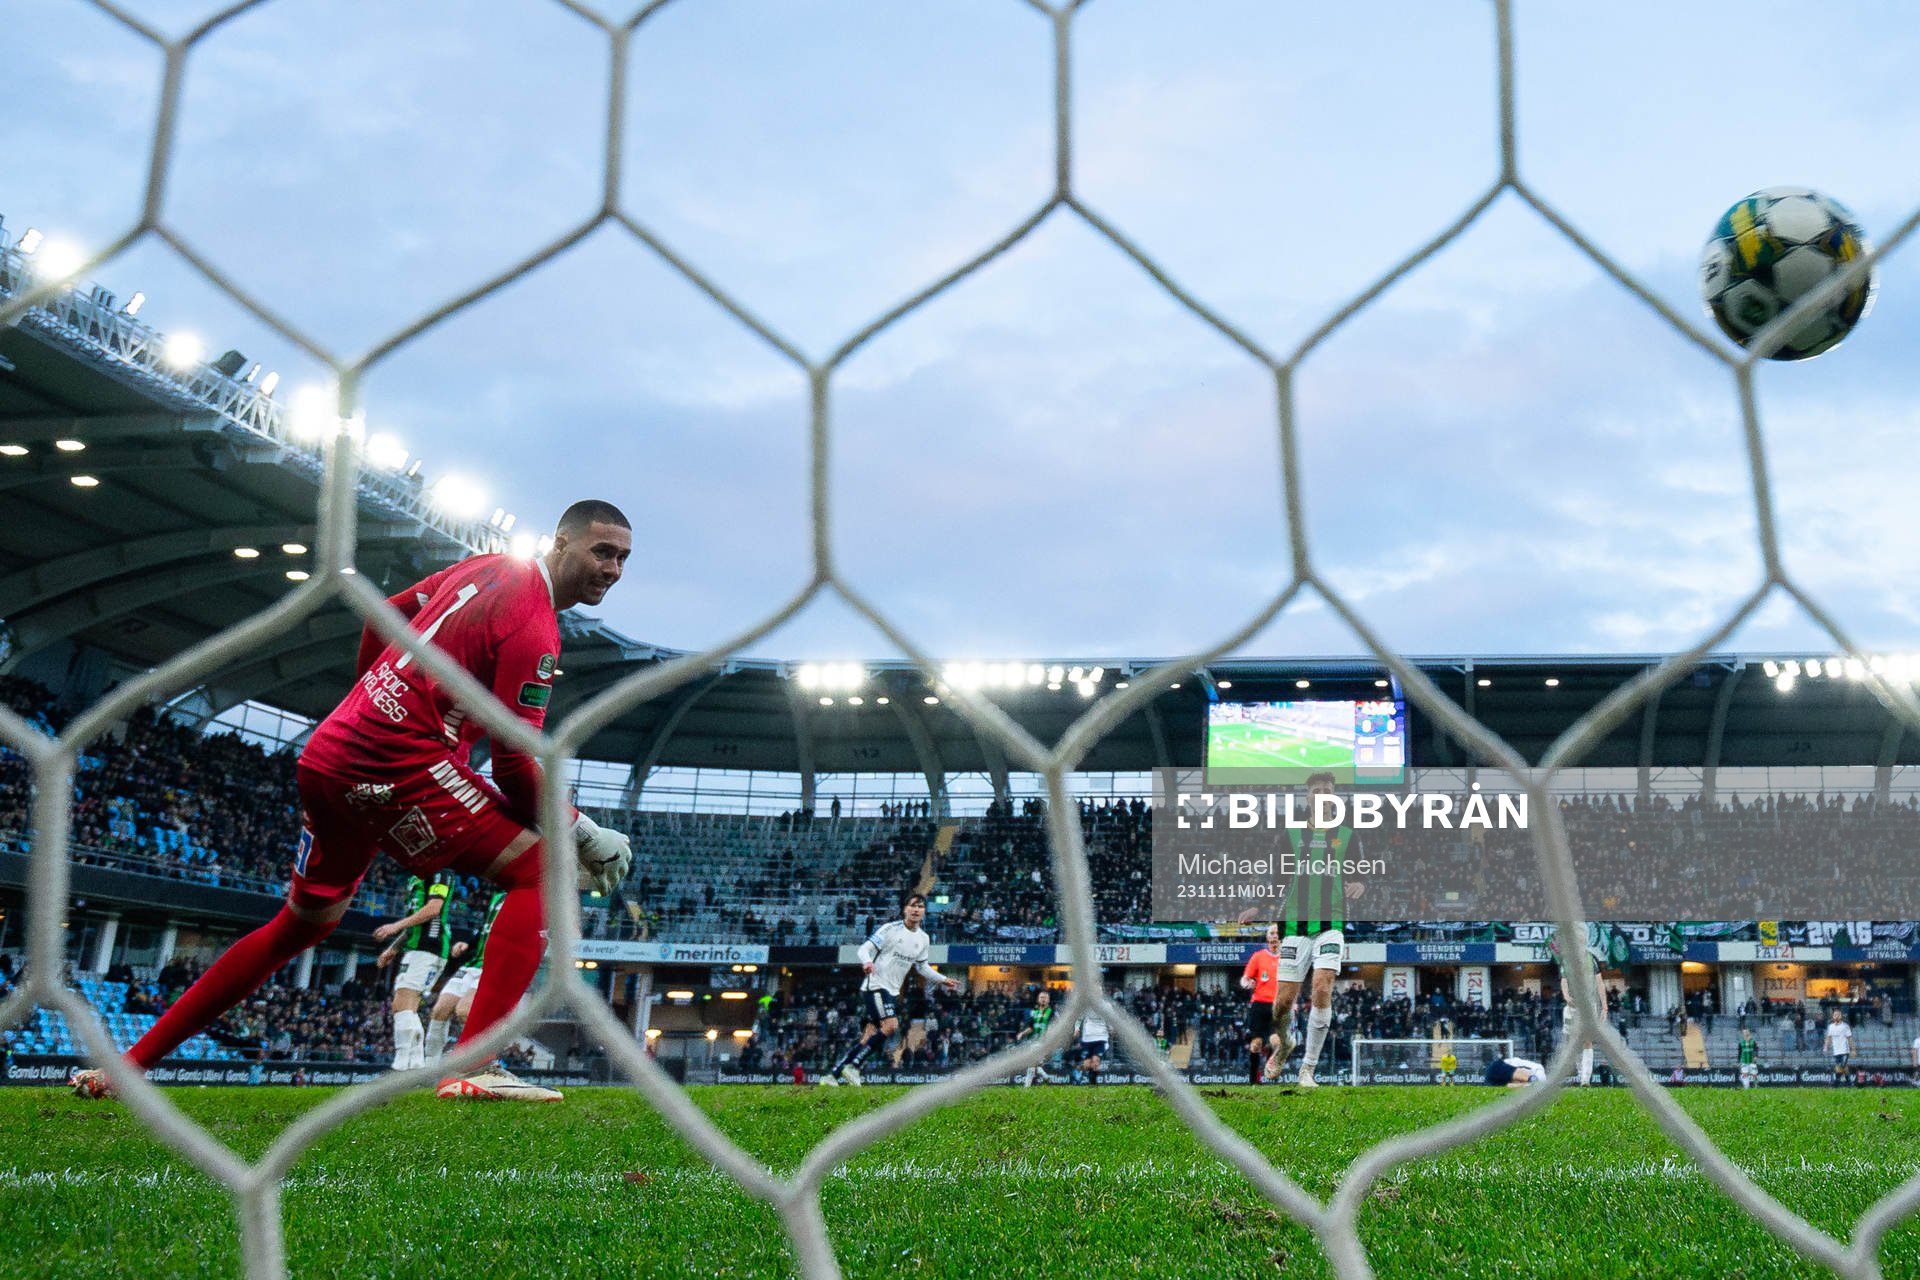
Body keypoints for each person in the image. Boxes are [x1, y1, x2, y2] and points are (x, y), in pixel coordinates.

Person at [72, 501, 635, 1104]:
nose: (613, 569)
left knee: (303, 925)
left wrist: (372, 700)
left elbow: (386, 617)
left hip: (332, 752)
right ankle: (474, 1064)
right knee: (544, 868)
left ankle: (126, 1066)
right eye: (602, 552)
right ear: (561, 541)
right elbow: (514, 765)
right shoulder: (534, 626)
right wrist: (579, 828)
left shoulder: (484, 567)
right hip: (399, 766)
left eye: (624, 558)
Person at [1269, 772, 1361, 1089]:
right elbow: (1276, 880)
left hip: (1330, 926)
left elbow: (1363, 872)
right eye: (1316, 790)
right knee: (1282, 1003)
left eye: (1327, 790)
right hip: (1295, 928)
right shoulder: (1290, 834)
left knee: (1322, 987)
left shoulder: (1348, 835)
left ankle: (1307, 1069)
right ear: (1308, 797)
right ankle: (1284, 1045)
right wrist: (1267, 914)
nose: (1322, 794)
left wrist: (1361, 882)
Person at [825, 893, 958, 1086]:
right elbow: (864, 949)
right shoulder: (890, 929)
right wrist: (867, 962)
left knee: (869, 1036)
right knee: (891, 1025)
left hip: (892, 991)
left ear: (924, 911)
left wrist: (943, 979)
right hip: (877, 985)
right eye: (912, 905)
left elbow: (921, 967)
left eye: (920, 906)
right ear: (905, 909)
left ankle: (832, 1075)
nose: (916, 909)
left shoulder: (923, 938)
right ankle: (853, 1066)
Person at [372, 871, 458, 1070]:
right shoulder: (414, 878)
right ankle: (416, 1063)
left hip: (429, 947)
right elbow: (415, 920)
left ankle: (401, 1065)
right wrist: (394, 947)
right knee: (406, 1005)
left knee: (402, 1003)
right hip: (416, 948)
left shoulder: (439, 873)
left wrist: (395, 926)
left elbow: (433, 909)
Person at [424, 890, 506, 1064]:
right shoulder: (498, 896)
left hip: (494, 967)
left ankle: (483, 1061)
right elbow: (485, 928)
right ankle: (429, 1067)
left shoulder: (528, 897)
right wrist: (467, 943)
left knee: (465, 1011)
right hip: (474, 964)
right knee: (439, 1010)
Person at [1238, 923, 1291, 1084]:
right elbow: (1245, 978)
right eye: (1271, 933)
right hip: (1259, 1005)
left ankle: (1272, 1075)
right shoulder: (1258, 956)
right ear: (1267, 937)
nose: (1274, 936)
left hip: (1278, 1006)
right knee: (1256, 1044)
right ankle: (1253, 1081)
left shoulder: (1287, 958)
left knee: (1276, 1043)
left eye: (1277, 933)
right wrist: (1246, 983)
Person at [1016, 988, 1060, 1087]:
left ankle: (1026, 1089)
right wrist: (1022, 1033)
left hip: (1045, 1042)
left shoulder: (1052, 1012)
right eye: (1041, 997)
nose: (1043, 999)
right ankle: (1046, 1077)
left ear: (1048, 1000)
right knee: (1034, 1064)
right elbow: (1031, 1027)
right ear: (1038, 999)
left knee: (1031, 1064)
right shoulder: (1035, 1011)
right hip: (1033, 1041)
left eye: (1045, 997)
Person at [1076, 1005, 1110, 1085]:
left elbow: (1111, 1019)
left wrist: (1112, 1028)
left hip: (1101, 1038)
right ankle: (1085, 1072)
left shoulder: (1106, 1005)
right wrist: (1076, 1029)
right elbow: (1079, 1019)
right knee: (1087, 1065)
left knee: (1095, 1061)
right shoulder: (1085, 1005)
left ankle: (1093, 1083)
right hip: (1087, 1039)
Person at [1825, 1009, 1853, 1085]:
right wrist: (1826, 1046)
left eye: (1838, 1015)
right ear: (1833, 1016)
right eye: (1835, 1015)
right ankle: (1849, 1081)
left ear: (1841, 1016)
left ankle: (1836, 1081)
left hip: (1844, 1050)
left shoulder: (1845, 1026)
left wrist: (1853, 1049)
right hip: (1836, 1051)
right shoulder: (1830, 1027)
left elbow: (1849, 1038)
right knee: (1844, 1067)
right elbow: (1829, 1037)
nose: (1836, 1016)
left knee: (1842, 1065)